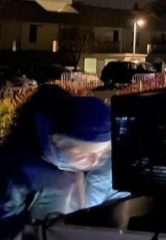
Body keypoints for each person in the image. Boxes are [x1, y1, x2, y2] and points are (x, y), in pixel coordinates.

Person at [0, 85, 125, 239]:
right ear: (58, 141)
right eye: (84, 153)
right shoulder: (19, 170)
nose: (95, 160)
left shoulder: (104, 166)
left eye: (103, 152)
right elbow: (6, 227)